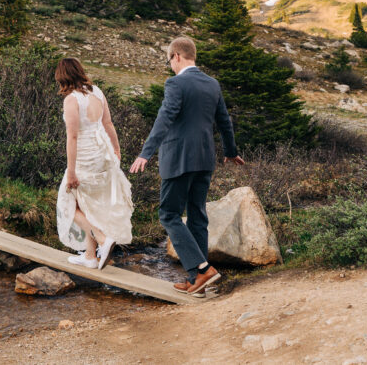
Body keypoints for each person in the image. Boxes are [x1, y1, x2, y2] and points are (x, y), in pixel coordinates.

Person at [130, 36, 244, 296]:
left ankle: (202, 268)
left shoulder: (175, 83)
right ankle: (197, 279)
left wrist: (146, 153)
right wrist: (230, 153)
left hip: (179, 159)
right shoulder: (212, 84)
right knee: (197, 217)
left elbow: (164, 118)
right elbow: (224, 122)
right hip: (205, 159)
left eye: (170, 60)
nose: (170, 65)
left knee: (168, 214)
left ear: (177, 56)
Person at [55, 57, 133, 269]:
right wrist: (116, 149)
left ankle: (101, 239)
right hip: (103, 155)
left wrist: (71, 172)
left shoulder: (71, 99)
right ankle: (90, 256)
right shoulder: (97, 92)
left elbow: (72, 137)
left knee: (67, 203)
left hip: (85, 158)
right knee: (88, 204)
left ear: (63, 77)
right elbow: (108, 123)